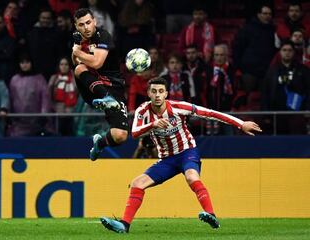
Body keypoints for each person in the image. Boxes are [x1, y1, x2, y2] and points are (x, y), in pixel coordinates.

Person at [100, 77, 262, 233]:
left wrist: (241, 124)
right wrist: (153, 124)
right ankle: (124, 225)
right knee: (137, 183)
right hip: (167, 160)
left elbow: (211, 113)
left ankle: (211, 215)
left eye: (161, 91)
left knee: (192, 177)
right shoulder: (143, 110)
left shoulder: (179, 107)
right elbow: (134, 133)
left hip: (187, 152)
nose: (157, 95)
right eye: (154, 91)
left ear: (166, 94)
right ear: (148, 93)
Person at [71, 8, 128, 160]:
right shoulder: (78, 39)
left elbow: (97, 62)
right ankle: (105, 98)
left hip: (113, 86)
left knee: (120, 135)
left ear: (95, 22)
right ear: (76, 26)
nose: (86, 27)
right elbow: (76, 63)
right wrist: (76, 50)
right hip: (93, 88)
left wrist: (76, 52)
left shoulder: (103, 36)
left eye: (88, 23)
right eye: (81, 25)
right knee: (79, 68)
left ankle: (100, 143)